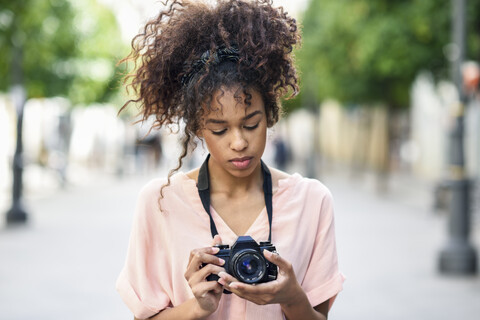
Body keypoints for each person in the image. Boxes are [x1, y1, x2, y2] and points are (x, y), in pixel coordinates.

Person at [116, 1, 345, 319]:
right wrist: (198, 307)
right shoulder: (159, 202)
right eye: (220, 129)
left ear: (270, 114)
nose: (239, 142)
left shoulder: (312, 201)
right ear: (198, 128)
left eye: (252, 124)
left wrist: (293, 297)